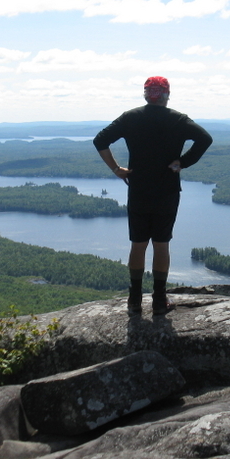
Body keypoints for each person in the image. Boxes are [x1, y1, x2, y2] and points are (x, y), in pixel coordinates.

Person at [93, 76, 213, 314]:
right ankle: (159, 301)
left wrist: (117, 170)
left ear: (146, 94)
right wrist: (183, 162)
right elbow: (205, 139)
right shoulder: (178, 119)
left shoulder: (131, 117)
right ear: (167, 95)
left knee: (138, 245)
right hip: (166, 191)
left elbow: (100, 140)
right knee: (161, 244)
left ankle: (134, 300)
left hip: (138, 190)